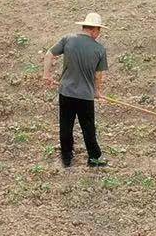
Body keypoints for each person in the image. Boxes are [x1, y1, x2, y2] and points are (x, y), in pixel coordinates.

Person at [44, 12, 109, 169]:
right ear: (93, 30)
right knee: (88, 128)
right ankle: (94, 158)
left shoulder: (68, 39)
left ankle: (67, 158)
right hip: (85, 96)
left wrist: (46, 75)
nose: (99, 33)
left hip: (66, 92)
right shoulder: (99, 49)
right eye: (99, 30)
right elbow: (98, 74)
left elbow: (49, 54)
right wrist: (97, 92)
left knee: (66, 125)